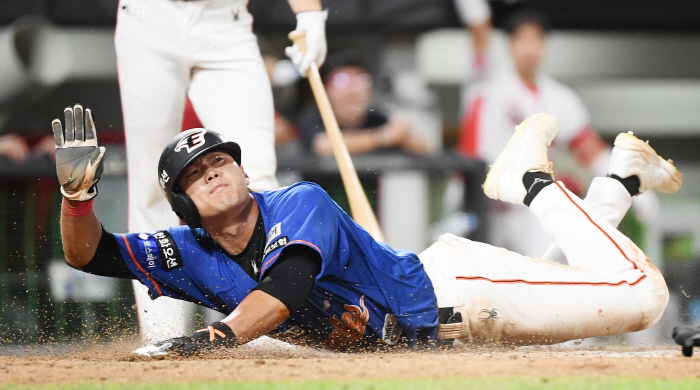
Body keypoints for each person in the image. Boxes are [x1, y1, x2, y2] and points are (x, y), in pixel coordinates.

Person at [53, 105, 681, 356]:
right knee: (584, 284)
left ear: (244, 170)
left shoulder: (297, 202)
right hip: (443, 341)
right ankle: (620, 180)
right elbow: (92, 257)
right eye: (196, 173)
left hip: (457, 293)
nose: (214, 174)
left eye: (221, 161)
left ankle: (529, 182)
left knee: (641, 298)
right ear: (182, 203)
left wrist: (216, 337)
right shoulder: (185, 250)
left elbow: (290, 286)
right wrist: (77, 199)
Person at [114, 0, 328, 342]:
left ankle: (269, 329)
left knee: (255, 176)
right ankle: (161, 337)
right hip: (148, 17)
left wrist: (309, 13)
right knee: (152, 186)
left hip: (224, 21)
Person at [456, 10, 656, 260]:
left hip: (527, 209)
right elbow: (479, 32)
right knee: (467, 281)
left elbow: (588, 148)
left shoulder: (560, 99)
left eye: (536, 39)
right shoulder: (486, 82)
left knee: (542, 273)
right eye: (522, 39)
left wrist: (630, 182)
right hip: (476, 201)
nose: (529, 47)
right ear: (509, 43)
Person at [298, 53, 429, 156]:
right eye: (341, 81)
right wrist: (382, 137)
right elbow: (323, 145)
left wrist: (403, 134)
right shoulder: (313, 118)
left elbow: (423, 146)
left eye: (360, 81)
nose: (352, 91)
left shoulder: (376, 119)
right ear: (326, 89)